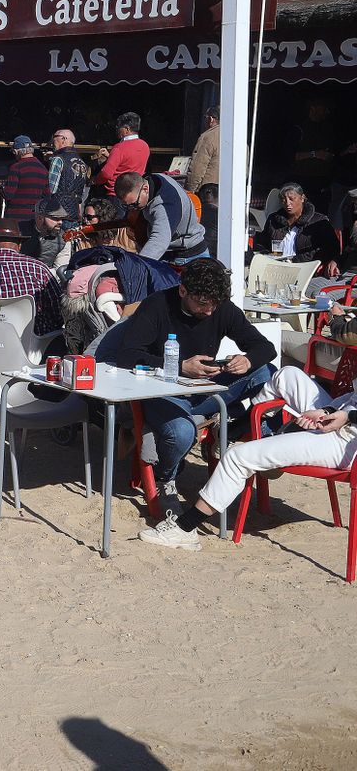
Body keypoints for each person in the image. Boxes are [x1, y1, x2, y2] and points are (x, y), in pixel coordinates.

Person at [114, 258, 276, 512]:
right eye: (202, 304)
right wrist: (179, 366)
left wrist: (247, 360)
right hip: (163, 391)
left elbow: (266, 348)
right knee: (181, 433)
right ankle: (166, 478)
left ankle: (233, 433)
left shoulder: (221, 307)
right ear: (183, 291)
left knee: (265, 372)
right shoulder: (157, 306)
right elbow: (127, 355)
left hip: (205, 388)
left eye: (215, 305)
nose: (210, 311)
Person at [140, 364, 357, 551]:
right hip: (342, 418)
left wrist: (347, 417)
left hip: (347, 442)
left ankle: (185, 529)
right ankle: (237, 431)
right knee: (286, 374)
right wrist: (328, 409)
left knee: (236, 458)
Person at [116, 170, 209, 264]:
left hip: (186, 257)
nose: (133, 209)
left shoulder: (165, 205)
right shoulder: (152, 179)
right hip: (170, 252)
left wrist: (135, 268)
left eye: (135, 204)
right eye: (126, 206)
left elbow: (158, 242)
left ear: (145, 189)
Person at [255, 181, 340, 277]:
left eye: (292, 199)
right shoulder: (273, 220)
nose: (287, 203)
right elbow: (262, 243)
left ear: (302, 198)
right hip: (277, 270)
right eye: (283, 199)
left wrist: (295, 261)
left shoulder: (319, 222)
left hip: (307, 271)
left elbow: (332, 248)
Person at [91, 111, 150, 197]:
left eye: (119, 127)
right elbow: (129, 162)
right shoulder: (145, 146)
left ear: (127, 129)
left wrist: (95, 180)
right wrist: (110, 156)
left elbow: (106, 174)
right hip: (135, 192)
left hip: (115, 193)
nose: (117, 130)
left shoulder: (119, 148)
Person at [2, 136, 50, 236]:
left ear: (16, 151)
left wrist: (0, 189)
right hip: (34, 220)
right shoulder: (43, 169)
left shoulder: (16, 167)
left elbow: (9, 194)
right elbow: (46, 197)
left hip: (16, 219)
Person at [46, 128, 89, 213]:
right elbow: (83, 192)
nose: (52, 142)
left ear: (63, 139)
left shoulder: (58, 159)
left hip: (58, 210)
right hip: (75, 210)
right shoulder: (82, 162)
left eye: (54, 137)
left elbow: (51, 190)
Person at [23, 196, 70, 267]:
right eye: (55, 218)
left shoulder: (64, 238)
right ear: (40, 218)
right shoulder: (19, 231)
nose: (60, 222)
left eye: (61, 218)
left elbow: (60, 270)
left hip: (45, 276)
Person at [186, 106, 220, 193]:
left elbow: (197, 169)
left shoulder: (207, 137)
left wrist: (189, 191)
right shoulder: (238, 137)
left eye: (205, 117)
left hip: (208, 193)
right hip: (231, 192)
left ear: (211, 119)